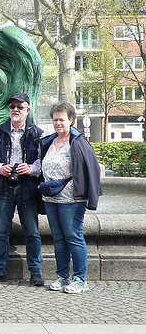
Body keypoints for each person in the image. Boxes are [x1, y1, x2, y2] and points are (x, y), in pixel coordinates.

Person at [0, 92, 45, 286]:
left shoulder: (37, 133)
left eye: (20, 107)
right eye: (12, 107)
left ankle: (36, 272)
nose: (15, 110)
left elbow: (44, 162)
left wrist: (32, 169)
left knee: (32, 232)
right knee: (1, 231)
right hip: (3, 186)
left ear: (28, 109)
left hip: (28, 187)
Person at [40, 101, 102, 294]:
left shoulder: (78, 142)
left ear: (71, 120)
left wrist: (91, 197)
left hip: (72, 199)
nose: (58, 123)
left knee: (73, 237)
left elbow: (92, 170)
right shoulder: (49, 141)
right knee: (58, 239)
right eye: (55, 120)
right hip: (51, 199)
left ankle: (80, 279)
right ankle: (62, 276)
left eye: (62, 120)